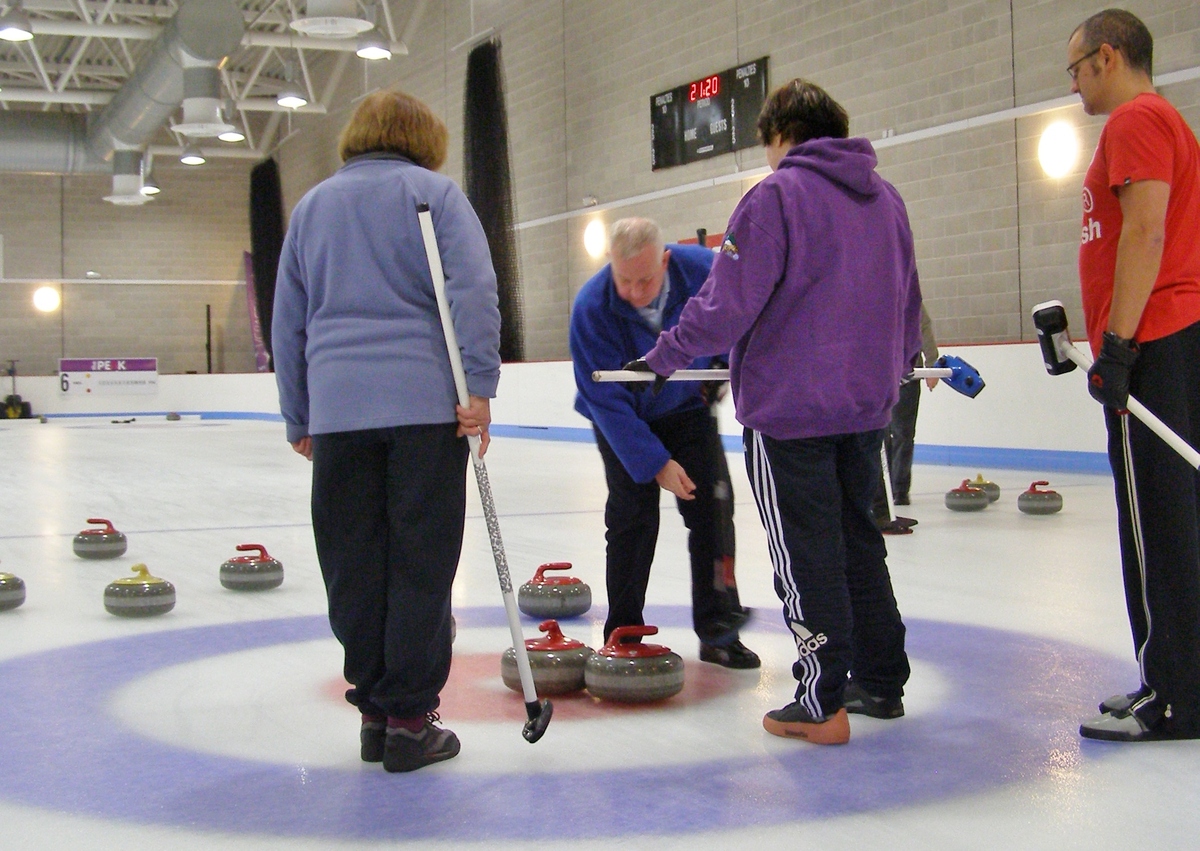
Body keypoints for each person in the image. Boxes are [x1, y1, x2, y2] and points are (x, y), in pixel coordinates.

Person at [639, 79, 921, 744]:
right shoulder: (886, 199)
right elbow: (907, 299)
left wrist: (664, 354)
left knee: (805, 554)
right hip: (863, 406)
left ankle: (821, 698)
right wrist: (896, 365)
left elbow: (726, 303)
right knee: (858, 541)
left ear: (780, 134)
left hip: (791, 409)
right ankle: (879, 677)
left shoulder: (775, 197)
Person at [272, 90, 501, 771]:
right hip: (424, 407)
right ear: (424, 137)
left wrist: (298, 409)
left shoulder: (312, 207)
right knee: (420, 561)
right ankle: (409, 716)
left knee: (355, 562)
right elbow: (474, 290)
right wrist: (480, 386)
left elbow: (288, 318)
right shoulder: (433, 195)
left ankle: (375, 707)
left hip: (339, 412)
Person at [1066, 9, 1200, 742]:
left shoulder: (1135, 122)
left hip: (1155, 341)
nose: (1076, 84)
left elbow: (1146, 230)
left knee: (1157, 521)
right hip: (1166, 337)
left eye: (1077, 69)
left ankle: (1173, 693)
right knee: (1166, 519)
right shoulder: (1162, 121)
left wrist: (1119, 344)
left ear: (1108, 58)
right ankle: (1172, 675)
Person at [569, 217, 759, 669]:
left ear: (666, 260)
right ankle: (624, 630)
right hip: (623, 418)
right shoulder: (591, 307)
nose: (635, 292)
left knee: (713, 509)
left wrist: (718, 367)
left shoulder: (707, 270)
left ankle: (718, 628)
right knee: (632, 518)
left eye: (646, 280)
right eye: (625, 280)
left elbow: (742, 316)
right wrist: (656, 463)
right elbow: (602, 396)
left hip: (685, 409)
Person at [873, 302, 938, 532]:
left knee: (903, 432)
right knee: (881, 435)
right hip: (880, 373)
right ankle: (884, 496)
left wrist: (931, 363)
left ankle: (898, 490)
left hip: (907, 374)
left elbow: (924, 325)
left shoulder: (909, 295)